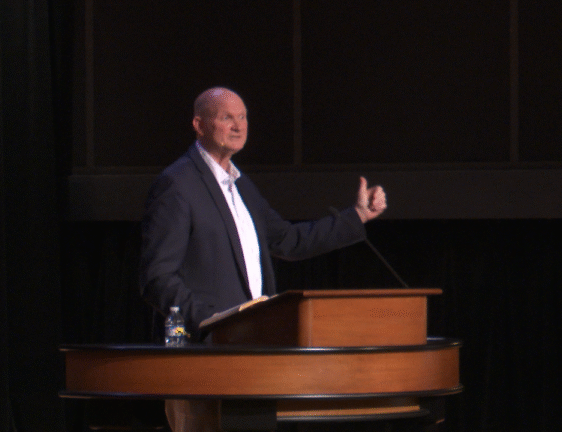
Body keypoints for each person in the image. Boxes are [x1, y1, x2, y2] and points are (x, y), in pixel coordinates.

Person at [138, 87, 387, 431]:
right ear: (199, 124)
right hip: (206, 359)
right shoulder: (177, 185)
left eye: (243, 117)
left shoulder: (239, 185)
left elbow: (288, 240)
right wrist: (214, 323)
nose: (239, 126)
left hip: (254, 356)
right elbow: (157, 278)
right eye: (227, 117)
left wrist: (356, 217)